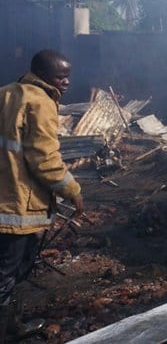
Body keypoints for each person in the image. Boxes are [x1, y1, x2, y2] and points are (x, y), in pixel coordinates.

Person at [0, 50, 83, 339]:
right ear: (43, 74)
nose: (66, 82)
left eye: (68, 76)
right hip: (17, 205)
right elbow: (45, 159)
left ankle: (11, 326)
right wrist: (73, 190)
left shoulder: (5, 93)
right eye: (61, 77)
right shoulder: (40, 102)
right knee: (9, 272)